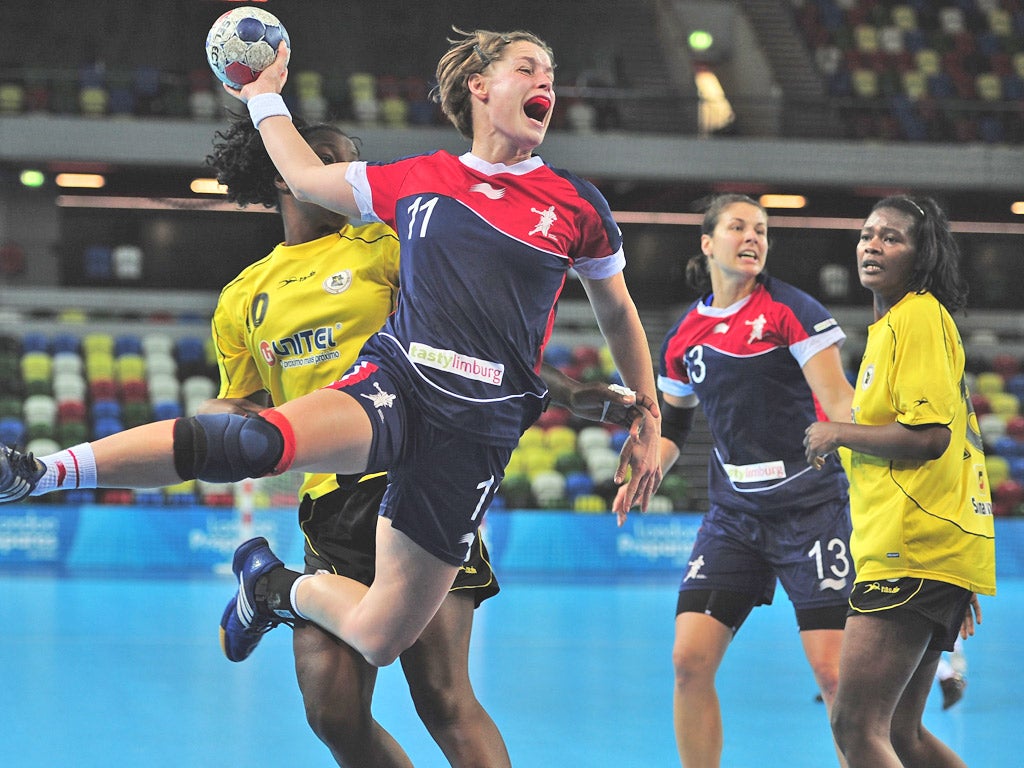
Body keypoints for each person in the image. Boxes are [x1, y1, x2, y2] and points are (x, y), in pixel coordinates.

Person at [0, 25, 661, 690]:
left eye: (550, 73)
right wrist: (263, 96)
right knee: (257, 441)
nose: (546, 82)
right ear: (479, 87)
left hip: (481, 429)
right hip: (401, 384)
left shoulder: (577, 205)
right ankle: (40, 472)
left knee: (379, 636)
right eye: (529, 68)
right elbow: (306, 176)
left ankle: (271, 586)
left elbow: (616, 310)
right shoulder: (418, 181)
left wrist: (647, 412)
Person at [202, 115, 508, 767]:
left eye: (349, 165)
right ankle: (273, 585)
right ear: (288, 169)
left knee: (444, 699)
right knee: (333, 713)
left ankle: (270, 588)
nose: (347, 177)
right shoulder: (243, 296)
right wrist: (211, 425)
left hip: (416, 480)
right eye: (331, 162)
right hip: (327, 502)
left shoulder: (390, 245)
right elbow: (245, 400)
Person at [616, 194, 855, 767]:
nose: (753, 237)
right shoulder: (685, 335)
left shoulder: (790, 311)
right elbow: (674, 424)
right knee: (688, 661)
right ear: (707, 243)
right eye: (739, 227)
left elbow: (840, 404)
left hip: (811, 510)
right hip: (734, 519)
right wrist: (649, 463)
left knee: (836, 675)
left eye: (762, 230)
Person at [803, 195, 996, 767]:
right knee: (902, 735)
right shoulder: (895, 327)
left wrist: (836, 432)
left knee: (856, 725)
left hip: (914, 547)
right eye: (867, 235)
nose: (872, 245)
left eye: (892, 237)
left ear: (922, 255)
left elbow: (930, 438)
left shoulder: (917, 317)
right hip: (924, 548)